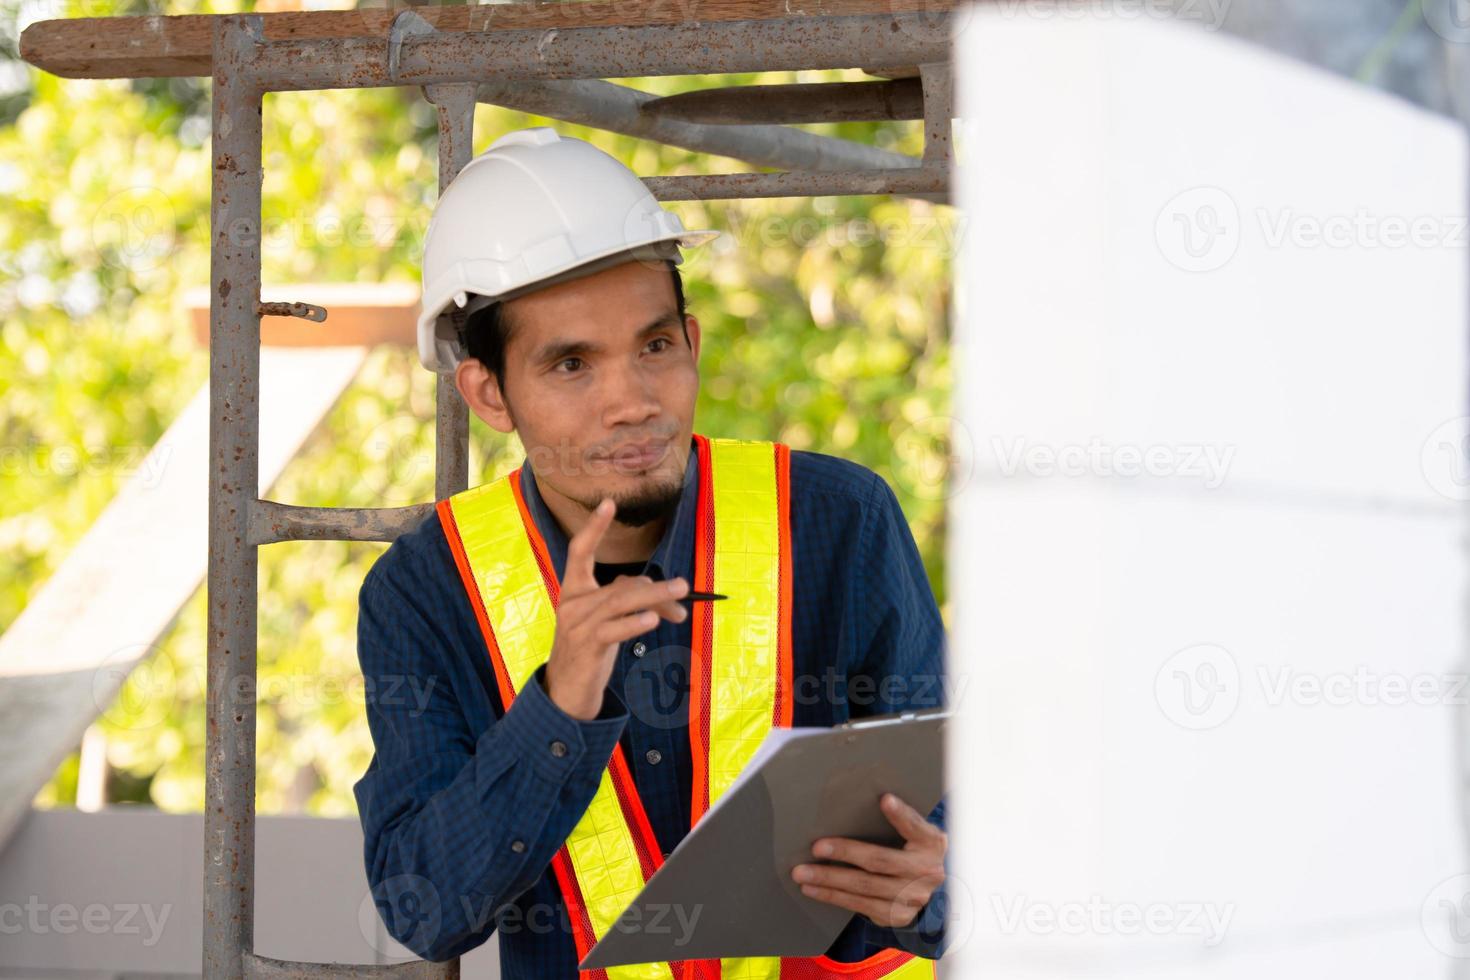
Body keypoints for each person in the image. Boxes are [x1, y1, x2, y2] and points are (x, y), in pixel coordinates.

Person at [352, 126, 950, 977]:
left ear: (693, 341)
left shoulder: (839, 520)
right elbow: (425, 910)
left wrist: (940, 885)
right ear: (489, 392)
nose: (632, 402)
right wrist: (558, 709)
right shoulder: (425, 591)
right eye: (571, 365)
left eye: (655, 346)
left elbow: (962, 825)